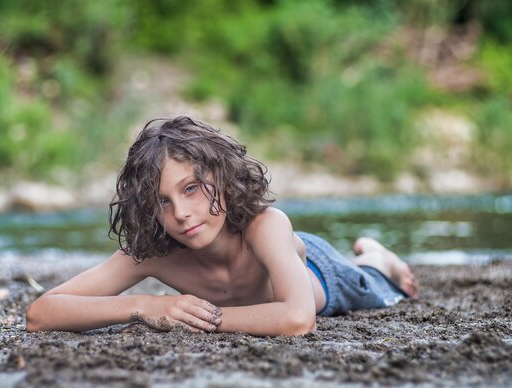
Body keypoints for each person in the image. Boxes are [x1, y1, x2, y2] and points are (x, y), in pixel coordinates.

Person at [26, 116, 417, 336]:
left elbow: (298, 319)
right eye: (163, 201)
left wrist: (200, 320)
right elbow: (41, 312)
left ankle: (379, 257)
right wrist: (146, 306)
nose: (180, 212)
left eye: (191, 189)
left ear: (224, 178)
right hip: (283, 269)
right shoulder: (155, 250)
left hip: (319, 273)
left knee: (376, 286)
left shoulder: (266, 225)